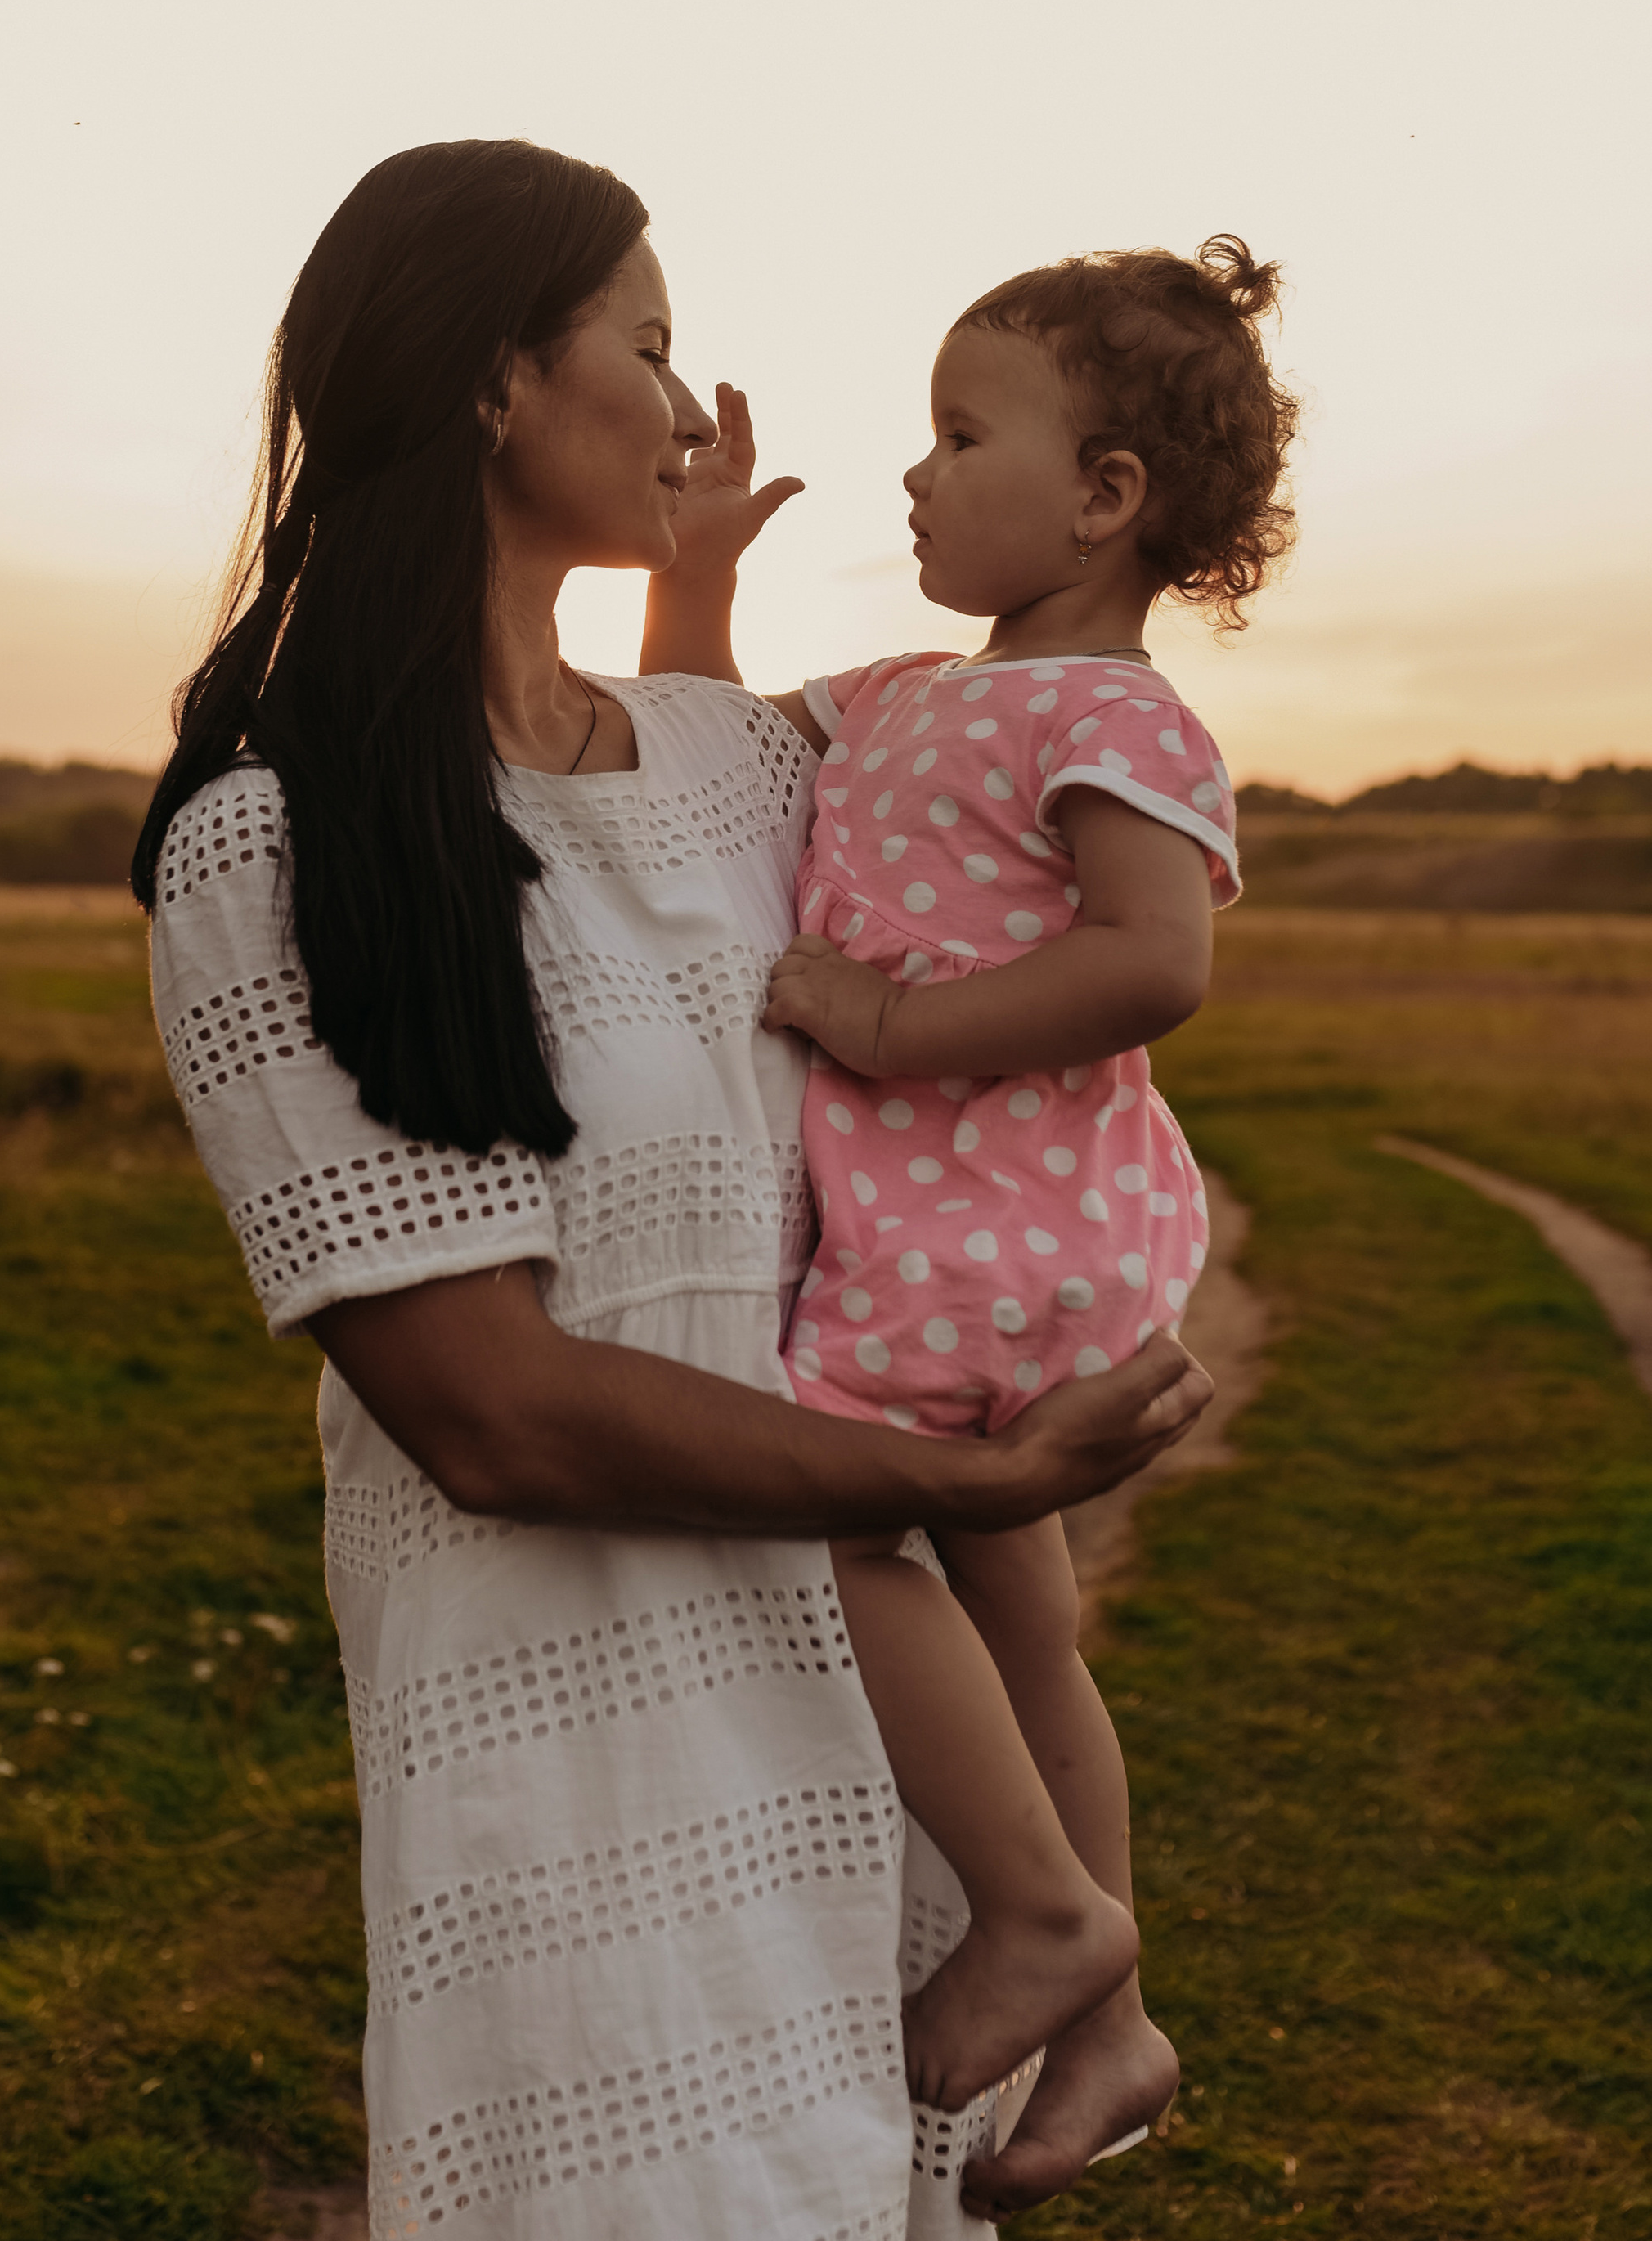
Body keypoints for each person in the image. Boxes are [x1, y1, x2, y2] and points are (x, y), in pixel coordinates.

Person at [134, 141, 1213, 2241]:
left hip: (872, 1763)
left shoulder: (740, 774)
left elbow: (1022, 887)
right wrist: (976, 1492)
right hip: (577, 1763)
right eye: (644, 345)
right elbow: (490, 1410)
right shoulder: (275, 843)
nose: (688, 397)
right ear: (489, 387)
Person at [644, 236, 1295, 2217]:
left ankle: (1031, 1914)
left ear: (1102, 496)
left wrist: (885, 1021)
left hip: (998, 1242)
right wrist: (693, 585)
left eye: (953, 433)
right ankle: (1108, 2020)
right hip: (997, 1243)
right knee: (1025, 1626)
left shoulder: (1109, 717)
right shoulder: (916, 694)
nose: (911, 474)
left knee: (839, 1520)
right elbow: (699, 754)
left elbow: (1151, 964)